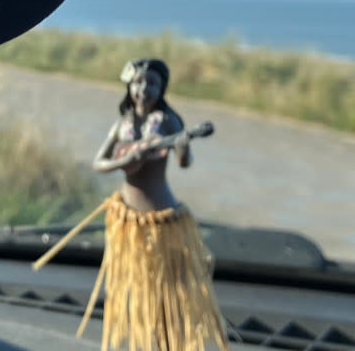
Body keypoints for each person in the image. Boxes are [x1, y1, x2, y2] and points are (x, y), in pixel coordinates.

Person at [34, 58, 228, 350]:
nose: (143, 89)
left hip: (162, 221)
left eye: (152, 83)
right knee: (135, 294)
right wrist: (125, 160)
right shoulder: (122, 124)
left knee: (168, 294)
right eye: (138, 82)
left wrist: (183, 147)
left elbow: (184, 163)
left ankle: (170, 343)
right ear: (129, 86)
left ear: (162, 89)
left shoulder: (168, 122)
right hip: (126, 220)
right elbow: (99, 163)